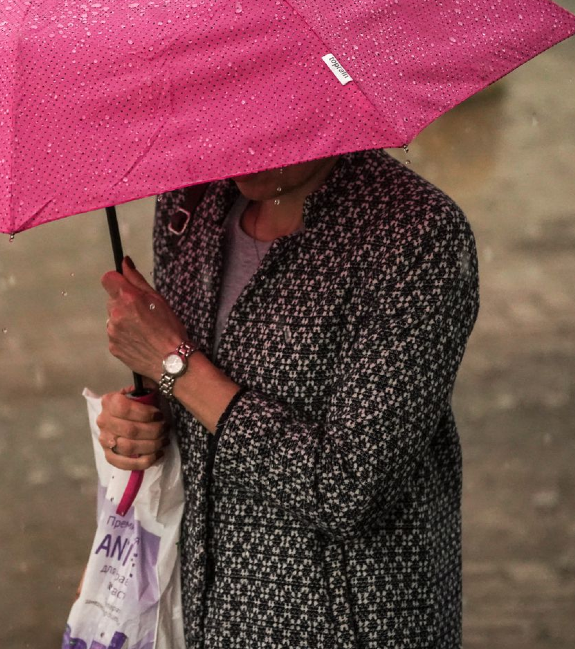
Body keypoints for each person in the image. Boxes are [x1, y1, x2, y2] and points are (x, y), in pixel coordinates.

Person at [98, 149, 480, 648]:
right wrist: (143, 418)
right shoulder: (192, 199)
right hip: (208, 616)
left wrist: (176, 366)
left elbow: (350, 488)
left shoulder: (415, 233)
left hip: (346, 625)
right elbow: (198, 397)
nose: (237, 143)